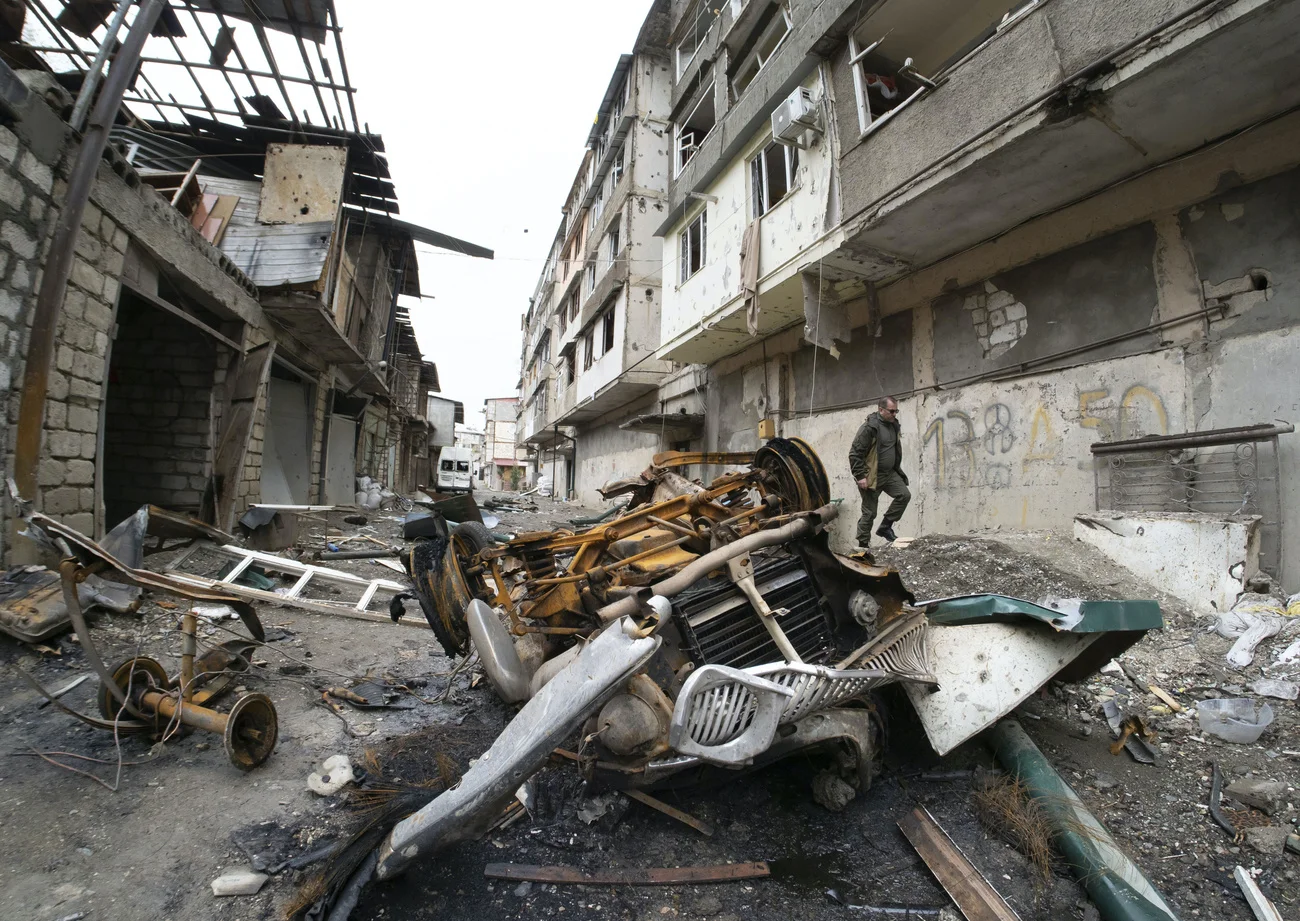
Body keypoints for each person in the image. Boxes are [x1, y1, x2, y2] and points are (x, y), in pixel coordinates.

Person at [848, 396, 910, 547]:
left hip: (889, 474)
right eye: (891, 411)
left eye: (896, 411)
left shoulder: (893, 425)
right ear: (881, 410)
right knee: (869, 513)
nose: (895, 414)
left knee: (904, 495)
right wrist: (860, 476)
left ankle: (885, 527)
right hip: (871, 476)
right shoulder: (869, 428)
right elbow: (855, 453)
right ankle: (862, 545)